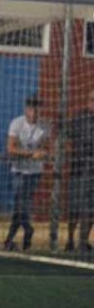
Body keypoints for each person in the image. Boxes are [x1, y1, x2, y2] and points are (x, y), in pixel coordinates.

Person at [5, 95, 50, 251]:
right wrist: (31, 154)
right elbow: (10, 148)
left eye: (37, 108)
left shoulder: (44, 126)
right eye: (31, 108)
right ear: (26, 109)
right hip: (18, 169)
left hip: (34, 171)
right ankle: (26, 230)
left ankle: (10, 239)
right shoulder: (17, 123)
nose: (34, 111)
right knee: (20, 204)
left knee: (21, 204)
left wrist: (42, 153)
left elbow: (44, 148)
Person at [65, 89, 94, 252]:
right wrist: (73, 153)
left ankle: (83, 241)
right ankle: (70, 239)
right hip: (78, 169)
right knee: (74, 208)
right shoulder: (78, 118)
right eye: (92, 100)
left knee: (91, 209)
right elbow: (67, 140)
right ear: (87, 100)